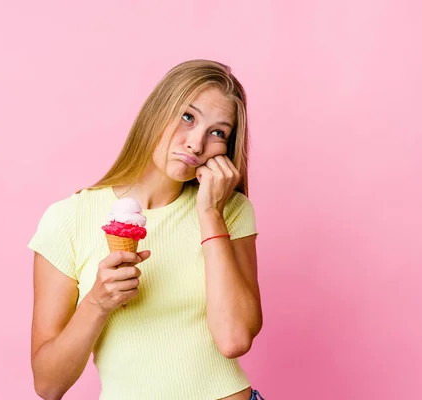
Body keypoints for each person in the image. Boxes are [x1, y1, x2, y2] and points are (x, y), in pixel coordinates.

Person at [28, 59, 265, 400]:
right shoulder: (68, 219)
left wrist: (210, 213)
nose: (196, 144)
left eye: (218, 133)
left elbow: (234, 339)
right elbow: (48, 386)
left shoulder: (230, 211)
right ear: (157, 111)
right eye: (188, 117)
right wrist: (98, 302)